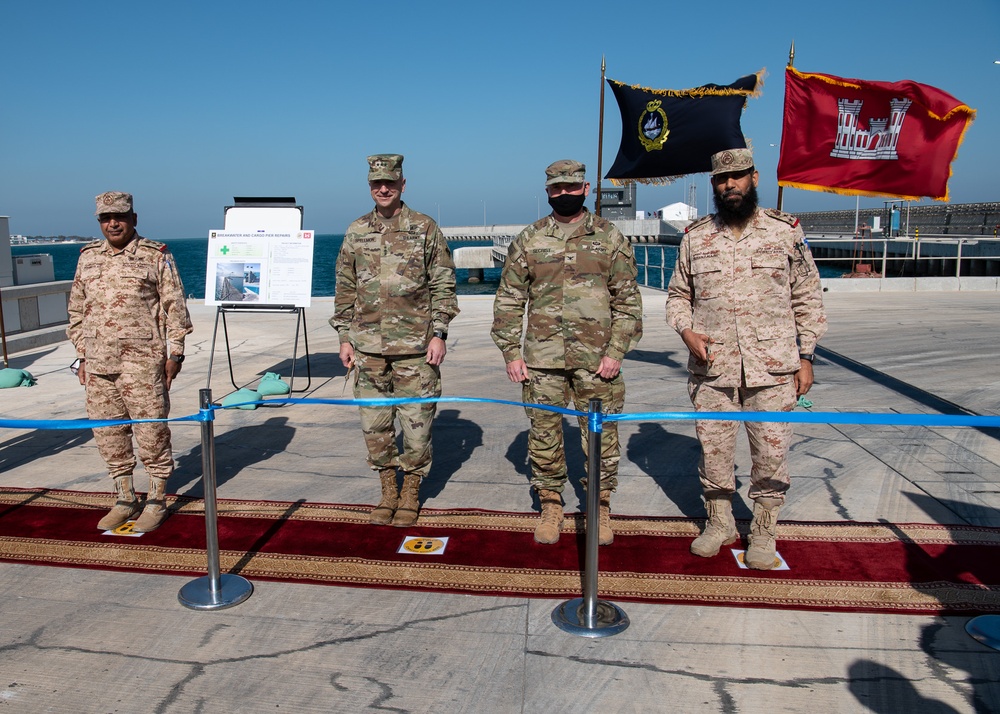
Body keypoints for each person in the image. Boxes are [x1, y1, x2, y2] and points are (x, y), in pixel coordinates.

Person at [666, 148, 827, 570]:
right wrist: (686, 331)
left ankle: (764, 528)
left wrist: (806, 355)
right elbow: (678, 296)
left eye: (737, 177)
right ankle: (719, 522)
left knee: (771, 452)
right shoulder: (695, 237)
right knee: (713, 449)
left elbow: (808, 297)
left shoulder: (784, 231)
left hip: (773, 366)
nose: (729, 185)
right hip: (713, 367)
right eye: (721, 179)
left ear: (754, 177)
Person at [491, 159, 643, 546]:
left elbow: (627, 300)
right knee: (543, 434)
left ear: (586, 188)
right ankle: (551, 503)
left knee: (601, 436)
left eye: (571, 187)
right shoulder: (531, 238)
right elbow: (509, 298)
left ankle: (600, 505)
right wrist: (511, 351)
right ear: (547, 191)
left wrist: (616, 351)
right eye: (557, 188)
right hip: (542, 360)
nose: (564, 193)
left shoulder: (609, 237)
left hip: (598, 361)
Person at [331, 154, 459, 527]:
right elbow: (345, 286)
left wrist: (440, 332)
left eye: (390, 182)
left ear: (403, 184)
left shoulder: (424, 228)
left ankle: (411, 490)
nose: (383, 188)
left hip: (415, 349)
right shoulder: (356, 230)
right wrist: (344, 337)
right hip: (368, 348)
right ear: (370, 187)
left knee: (417, 427)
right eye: (376, 184)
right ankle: (388, 488)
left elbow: (443, 283)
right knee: (375, 427)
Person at [68, 191, 193, 532]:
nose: (113, 223)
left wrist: (175, 353)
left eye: (120, 217)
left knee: (151, 434)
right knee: (109, 435)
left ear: (133, 219)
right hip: (98, 365)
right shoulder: (88, 257)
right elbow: (76, 310)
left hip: (142, 364)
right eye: (106, 218)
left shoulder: (155, 255)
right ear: (98, 222)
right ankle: (125, 498)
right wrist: (82, 354)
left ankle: (156, 499)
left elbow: (174, 307)